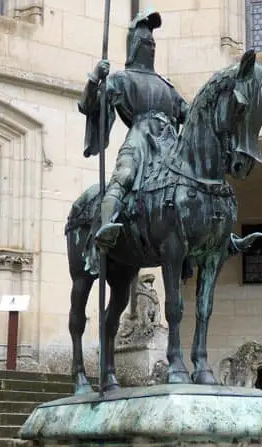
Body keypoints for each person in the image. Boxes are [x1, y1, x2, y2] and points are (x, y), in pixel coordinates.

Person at [78, 8, 189, 273]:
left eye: (153, 43)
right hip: (140, 138)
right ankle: (105, 228)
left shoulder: (166, 86)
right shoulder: (122, 79)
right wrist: (95, 80)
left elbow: (189, 113)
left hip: (170, 144)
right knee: (125, 175)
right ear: (135, 45)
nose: (150, 47)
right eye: (145, 42)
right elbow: (88, 105)